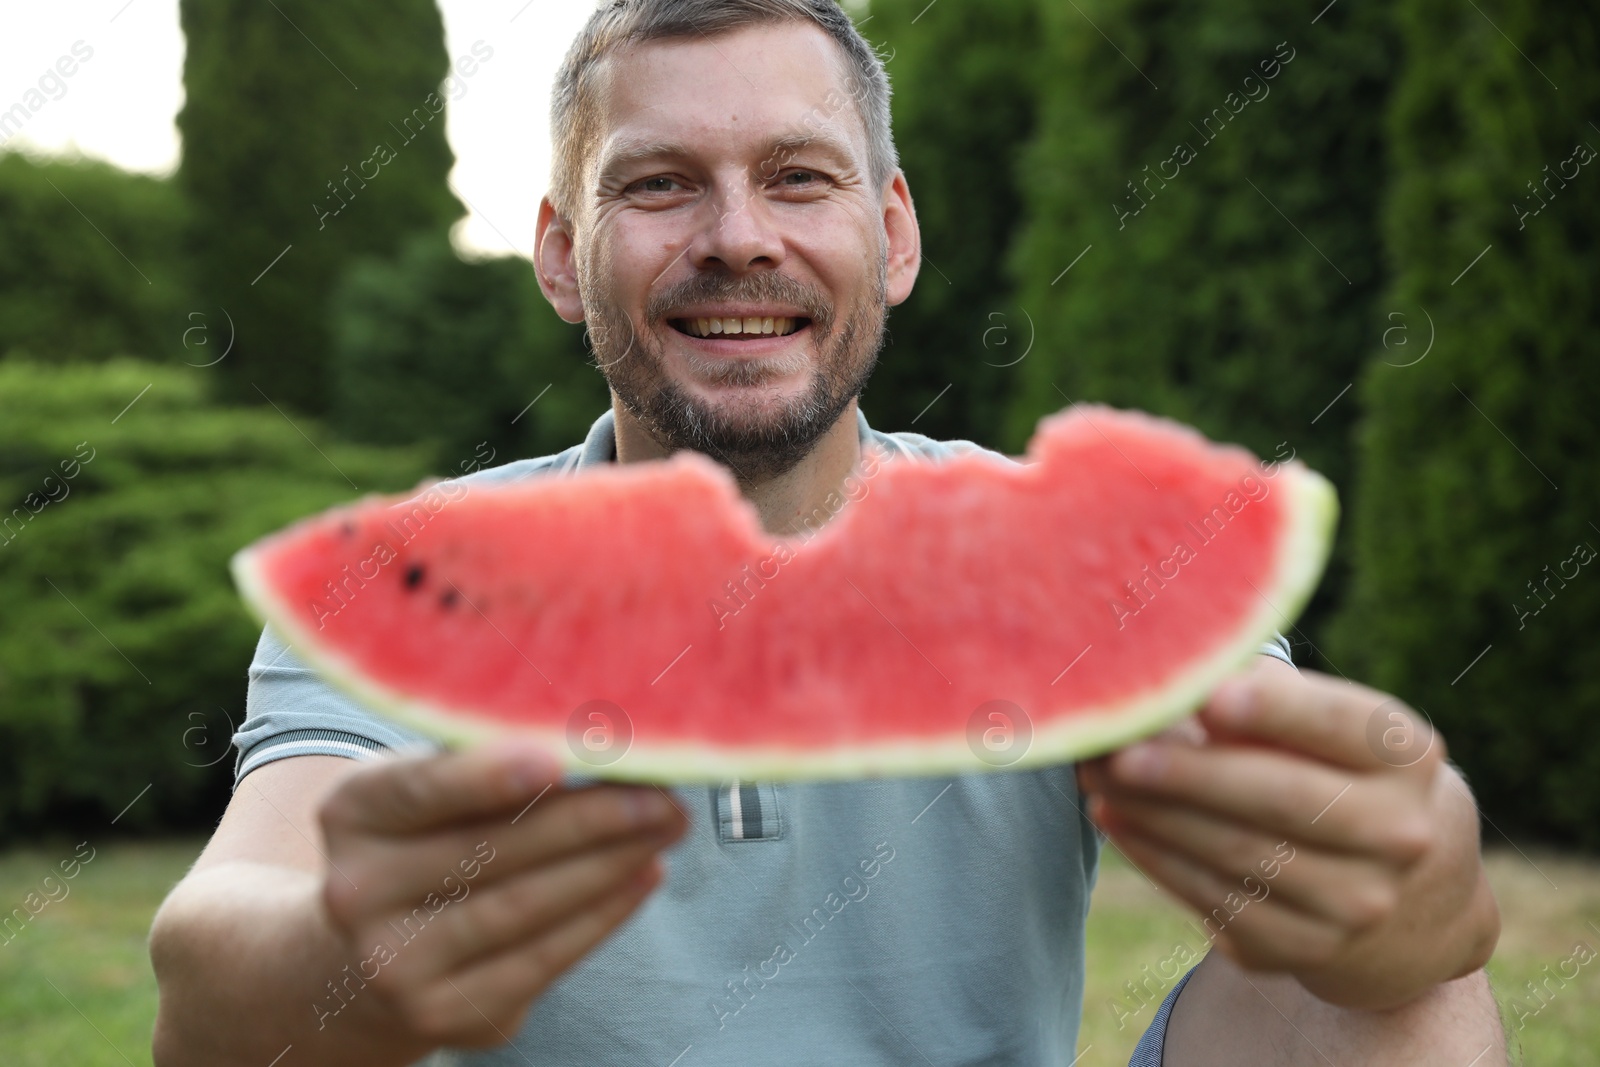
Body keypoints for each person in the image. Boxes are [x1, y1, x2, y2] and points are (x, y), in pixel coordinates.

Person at [149, 2, 1506, 1064]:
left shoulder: (1069, 563)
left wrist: (1425, 876)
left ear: (894, 233)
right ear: (562, 255)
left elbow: (1383, 875)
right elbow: (214, 969)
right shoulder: (410, 570)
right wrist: (335, 943)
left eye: (799, 178)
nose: (739, 238)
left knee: (1407, 1000)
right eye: (661, 184)